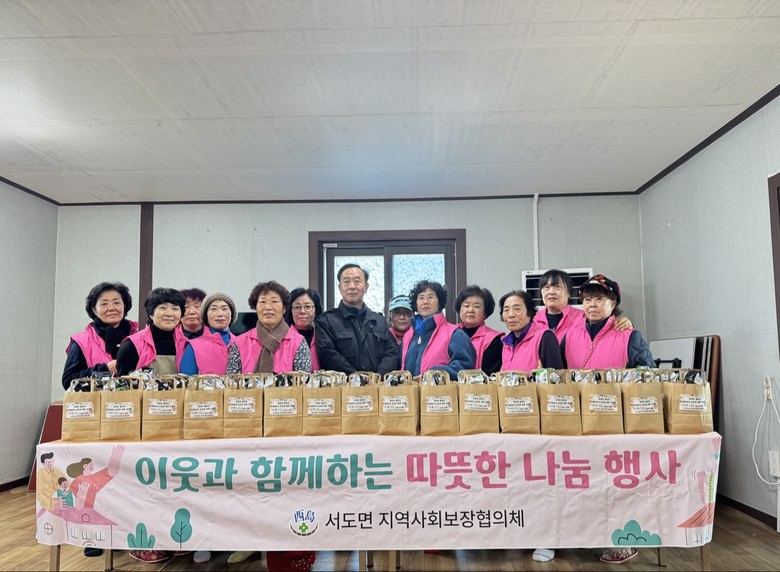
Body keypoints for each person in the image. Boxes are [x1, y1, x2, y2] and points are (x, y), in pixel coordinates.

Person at [561, 274, 655, 565]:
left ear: (613, 303)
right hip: (577, 421)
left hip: (617, 423)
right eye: (587, 299)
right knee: (583, 481)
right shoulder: (570, 335)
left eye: (600, 299)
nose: (592, 304)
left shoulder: (629, 335)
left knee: (615, 483)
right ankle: (588, 536)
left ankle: (622, 541)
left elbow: (647, 375)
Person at [315, 264, 399, 375]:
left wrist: (378, 377)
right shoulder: (326, 321)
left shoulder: (379, 321)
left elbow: (391, 352)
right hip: (343, 384)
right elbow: (328, 355)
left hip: (378, 383)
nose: (352, 286)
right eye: (346, 282)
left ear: (366, 287)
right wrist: (357, 378)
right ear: (340, 288)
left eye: (357, 281)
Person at [62, 282, 138, 390]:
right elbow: (68, 380)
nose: (111, 308)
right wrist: (105, 369)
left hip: (133, 399)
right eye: (104, 304)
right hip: (96, 400)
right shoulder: (82, 341)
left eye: (116, 303)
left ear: (124, 306)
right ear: (94, 310)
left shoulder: (139, 338)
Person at [401, 280, 475, 379]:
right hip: (410, 389)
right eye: (421, 298)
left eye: (430, 297)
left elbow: (464, 368)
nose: (425, 302)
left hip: (441, 389)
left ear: (439, 302)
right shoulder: (407, 336)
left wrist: (434, 375)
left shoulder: (454, 334)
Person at [532, 269, 632, 342]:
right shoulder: (532, 320)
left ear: (569, 293)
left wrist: (624, 322)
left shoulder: (585, 316)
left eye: (557, 287)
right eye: (546, 287)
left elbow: (605, 328)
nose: (551, 292)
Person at [236, 281, 312, 374]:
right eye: (262, 302)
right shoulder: (239, 342)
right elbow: (230, 380)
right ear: (255, 307)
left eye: (274, 301)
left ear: (284, 308)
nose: (268, 307)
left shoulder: (298, 342)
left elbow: (304, 380)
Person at [115, 288, 187, 377]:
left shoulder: (186, 345)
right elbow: (122, 382)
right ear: (151, 313)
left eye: (175, 309)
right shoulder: (131, 345)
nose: (169, 314)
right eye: (163, 308)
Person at [499, 290, 563, 372]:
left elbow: (556, 376)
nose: (511, 315)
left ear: (529, 312)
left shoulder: (545, 337)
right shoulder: (506, 344)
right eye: (506, 310)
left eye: (517, 309)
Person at [179, 292, 241, 376]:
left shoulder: (243, 343)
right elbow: (187, 381)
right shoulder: (193, 346)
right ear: (206, 315)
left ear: (232, 314)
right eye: (213, 309)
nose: (220, 314)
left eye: (224, 309)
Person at [454, 285, 503, 375]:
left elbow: (490, 374)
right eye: (466, 305)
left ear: (485, 312)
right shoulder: (451, 333)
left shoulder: (494, 339)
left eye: (476, 306)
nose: (470, 310)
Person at [284, 288, 323, 371]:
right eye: (297, 307)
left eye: (308, 307)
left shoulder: (323, 335)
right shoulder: (283, 338)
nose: (302, 311)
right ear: (290, 311)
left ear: (316, 310)